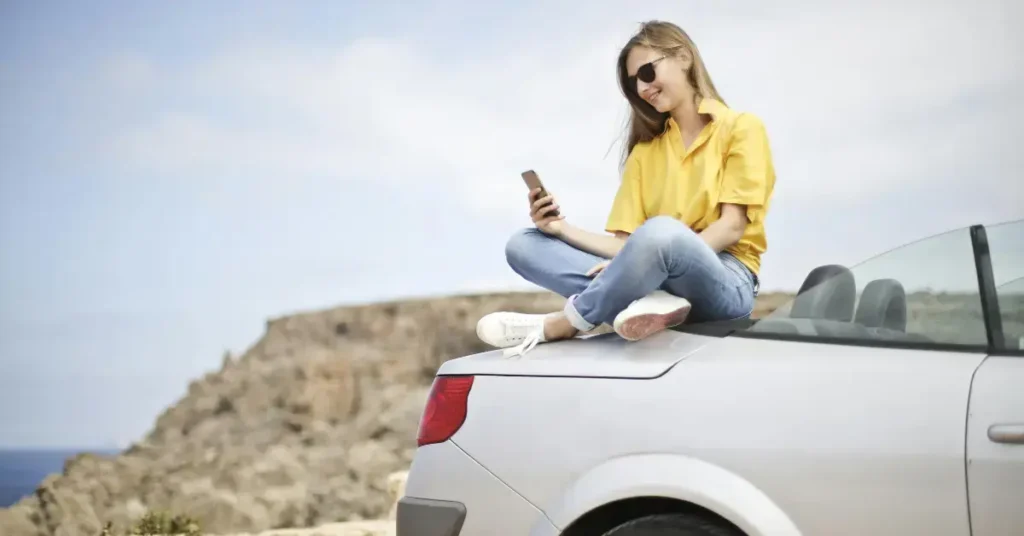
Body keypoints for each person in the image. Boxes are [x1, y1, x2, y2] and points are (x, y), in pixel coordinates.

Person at [477, 20, 776, 357]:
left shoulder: (742, 128)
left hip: (725, 279)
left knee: (662, 233)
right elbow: (624, 246)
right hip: (653, 274)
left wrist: (645, 261)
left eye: (647, 72)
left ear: (683, 57)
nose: (643, 88)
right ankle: (647, 300)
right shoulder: (645, 154)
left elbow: (732, 226)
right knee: (523, 245)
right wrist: (561, 229)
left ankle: (567, 322)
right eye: (634, 84)